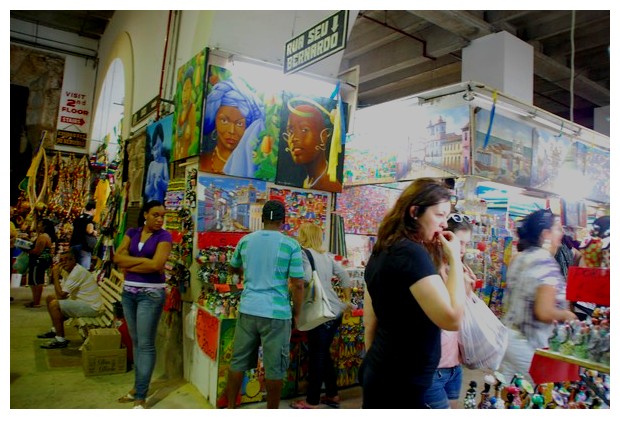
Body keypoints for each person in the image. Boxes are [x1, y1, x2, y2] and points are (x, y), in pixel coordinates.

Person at [360, 178, 466, 408]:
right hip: (401, 381)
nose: (444, 225)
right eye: (439, 215)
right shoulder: (410, 253)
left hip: (385, 372)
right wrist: (455, 259)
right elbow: (453, 318)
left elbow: (371, 322)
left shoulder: (385, 249)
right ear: (415, 212)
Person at [223, 200, 305, 409]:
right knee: (274, 367)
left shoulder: (246, 240)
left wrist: (245, 276)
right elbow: (297, 284)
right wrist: (297, 312)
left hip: (248, 308)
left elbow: (233, 268)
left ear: (262, 218)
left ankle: (230, 407)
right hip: (276, 314)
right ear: (283, 220)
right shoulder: (291, 245)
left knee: (238, 361)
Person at [499, 209, 577, 384]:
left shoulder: (521, 257)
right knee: (538, 394)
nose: (562, 232)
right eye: (557, 228)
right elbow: (544, 311)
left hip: (510, 336)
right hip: (528, 342)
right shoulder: (545, 262)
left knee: (508, 392)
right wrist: (568, 315)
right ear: (545, 234)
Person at [113, 200, 172, 409]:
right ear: (145, 214)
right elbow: (118, 258)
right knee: (137, 341)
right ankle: (137, 388)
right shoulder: (132, 232)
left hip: (151, 294)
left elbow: (158, 264)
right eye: (155, 215)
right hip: (129, 293)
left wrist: (131, 262)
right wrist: (144, 264)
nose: (159, 219)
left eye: (162, 216)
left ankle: (140, 395)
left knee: (145, 344)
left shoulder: (164, 236)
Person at [290, 222, 352, 409]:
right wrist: (347, 300)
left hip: (320, 312)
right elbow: (345, 276)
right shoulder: (326, 256)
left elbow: (306, 279)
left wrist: (291, 284)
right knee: (323, 354)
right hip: (335, 310)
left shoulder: (303, 254)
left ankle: (311, 401)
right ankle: (332, 395)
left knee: (317, 355)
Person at [425, 213, 477, 409]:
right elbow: (444, 314)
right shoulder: (430, 271)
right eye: (458, 243)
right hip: (433, 367)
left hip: (455, 364)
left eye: (466, 244)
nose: (462, 250)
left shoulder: (460, 270)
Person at [37, 248, 103, 349]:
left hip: (92, 307)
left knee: (54, 304)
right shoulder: (68, 272)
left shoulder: (77, 272)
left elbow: (61, 295)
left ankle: (60, 340)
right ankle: (55, 330)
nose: (65, 262)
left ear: (74, 260)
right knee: (50, 298)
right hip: (81, 302)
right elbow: (62, 294)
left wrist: (55, 276)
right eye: (62, 260)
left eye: (68, 259)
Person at [199, 77, 265, 176]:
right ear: (214, 120)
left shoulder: (254, 168)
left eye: (239, 124)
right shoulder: (202, 161)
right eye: (224, 120)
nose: (231, 131)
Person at [280, 98, 342, 193]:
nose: (294, 138)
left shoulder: (330, 186)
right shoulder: (308, 181)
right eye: (290, 131)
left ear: (323, 137)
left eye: (304, 130)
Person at [25, 219, 57, 308]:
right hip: (41, 261)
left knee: (36, 281)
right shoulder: (45, 236)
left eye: (39, 224)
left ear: (44, 226)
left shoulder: (43, 237)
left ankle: (36, 302)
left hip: (38, 261)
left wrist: (26, 249)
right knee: (34, 280)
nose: (38, 226)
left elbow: (37, 251)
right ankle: (35, 300)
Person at [144, 122, 170, 203]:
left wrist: (161, 182)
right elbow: (146, 191)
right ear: (152, 150)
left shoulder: (164, 161)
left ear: (162, 146)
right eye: (155, 148)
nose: (157, 152)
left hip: (159, 203)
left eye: (159, 147)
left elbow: (167, 186)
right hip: (150, 202)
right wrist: (152, 183)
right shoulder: (151, 164)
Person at [175, 66, 197, 160]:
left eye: (188, 89)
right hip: (178, 162)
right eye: (184, 90)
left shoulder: (192, 109)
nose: (185, 94)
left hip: (189, 162)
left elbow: (193, 138)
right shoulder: (179, 113)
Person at [69, 200, 97, 269]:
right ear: (92, 209)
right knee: (83, 271)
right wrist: (94, 232)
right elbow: (89, 230)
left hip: (74, 244)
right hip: (84, 247)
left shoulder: (78, 217)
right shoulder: (90, 218)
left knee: (76, 269)